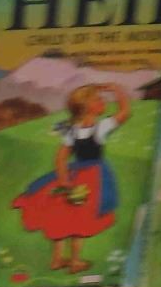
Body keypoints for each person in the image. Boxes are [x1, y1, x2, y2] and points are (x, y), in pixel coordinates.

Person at [11, 82, 130, 274]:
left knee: (63, 215)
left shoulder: (72, 130)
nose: (103, 102)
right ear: (87, 106)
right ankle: (74, 261)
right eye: (98, 99)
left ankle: (57, 259)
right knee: (81, 219)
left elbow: (61, 158)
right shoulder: (101, 127)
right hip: (92, 178)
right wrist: (117, 90)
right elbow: (124, 112)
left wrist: (64, 179)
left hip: (74, 175)